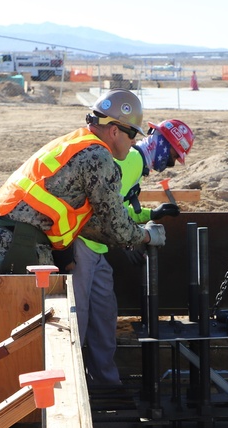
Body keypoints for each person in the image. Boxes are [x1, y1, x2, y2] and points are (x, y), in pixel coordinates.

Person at [0, 89, 165, 275]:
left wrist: (131, 234)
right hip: (15, 242)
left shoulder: (76, 143)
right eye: (132, 134)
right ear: (115, 131)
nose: (133, 142)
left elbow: (91, 223)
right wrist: (146, 236)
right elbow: (116, 225)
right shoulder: (98, 156)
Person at [71, 119, 195, 386]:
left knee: (104, 315)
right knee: (77, 318)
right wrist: (132, 239)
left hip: (96, 248)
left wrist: (151, 213)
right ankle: (73, 386)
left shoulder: (133, 164)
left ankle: (105, 382)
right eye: (173, 156)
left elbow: (116, 207)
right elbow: (106, 213)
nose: (171, 164)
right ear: (162, 144)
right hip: (83, 244)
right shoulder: (131, 162)